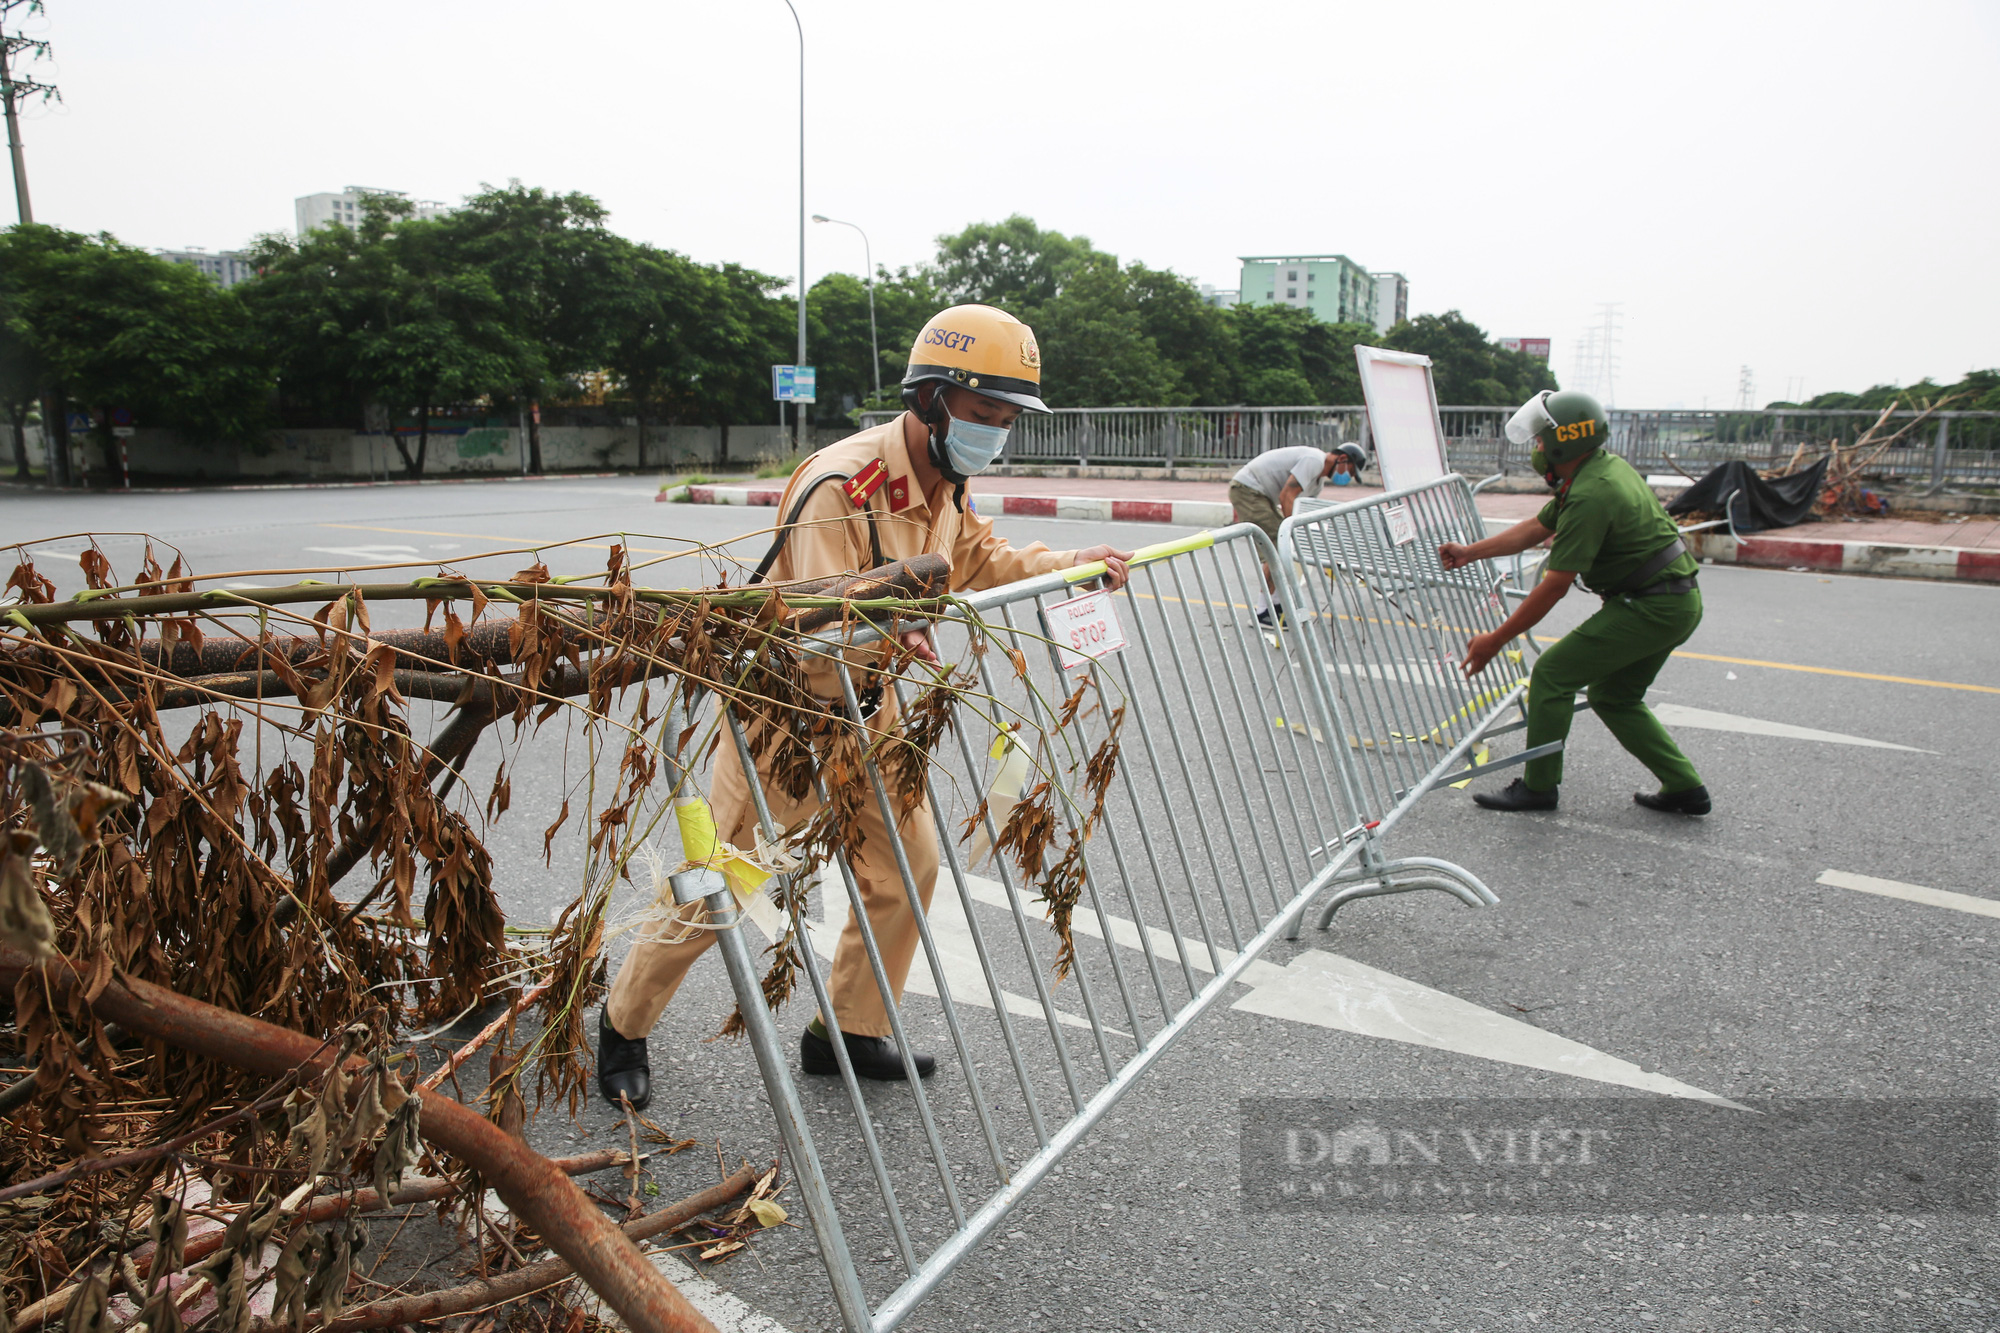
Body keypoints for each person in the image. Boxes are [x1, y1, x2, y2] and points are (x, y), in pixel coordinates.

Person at [596, 304, 1134, 1109]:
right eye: (986, 415)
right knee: (717, 887)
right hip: (781, 718)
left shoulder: (943, 481)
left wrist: (1069, 563)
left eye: (1007, 419)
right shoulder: (841, 485)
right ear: (932, 400)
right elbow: (818, 617)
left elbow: (978, 557)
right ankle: (622, 1025)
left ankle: (846, 1028)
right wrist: (894, 630)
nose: (996, 433)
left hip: (868, 712)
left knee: (906, 868)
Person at [1437, 389, 1710, 816]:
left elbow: (1554, 585)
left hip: (1651, 607)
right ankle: (1684, 786)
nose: (1538, 448)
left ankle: (1538, 786)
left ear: (1565, 441)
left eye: (1542, 440)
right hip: (1675, 601)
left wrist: (1496, 639)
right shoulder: (1599, 471)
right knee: (1614, 696)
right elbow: (1535, 527)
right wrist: (1471, 551)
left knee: (1552, 675)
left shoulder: (1590, 494)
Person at [1229, 442, 1365, 626]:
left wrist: (1316, 545)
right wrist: (1292, 531)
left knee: (1285, 547)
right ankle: (1263, 613)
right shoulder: (1314, 460)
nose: (1348, 476)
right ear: (1342, 458)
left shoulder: (1317, 483)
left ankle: (1275, 606)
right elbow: (1287, 497)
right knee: (1277, 546)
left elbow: (1304, 512)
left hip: (1261, 495)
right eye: (1350, 470)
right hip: (1247, 490)